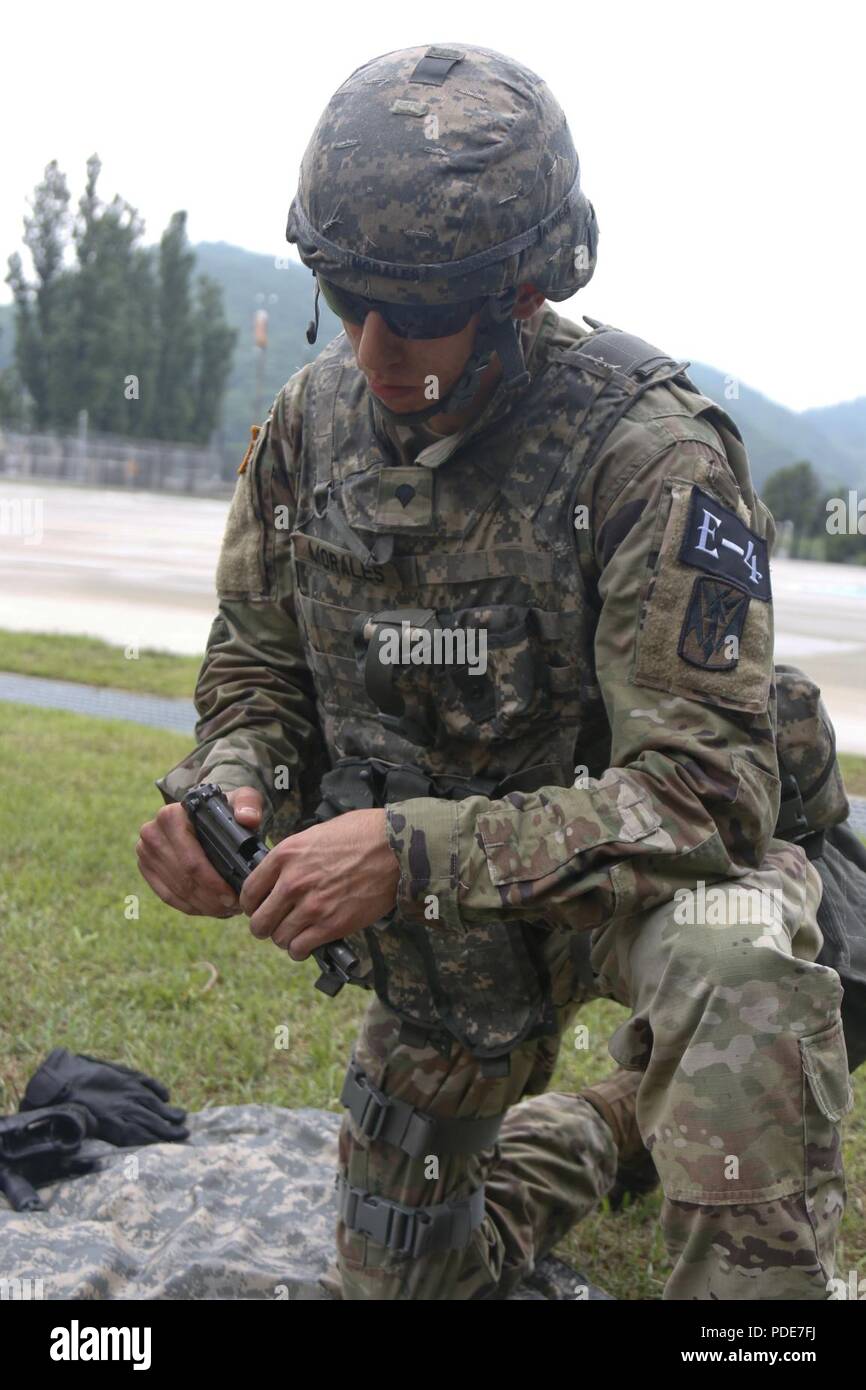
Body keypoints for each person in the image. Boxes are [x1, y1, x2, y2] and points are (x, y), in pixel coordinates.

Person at [137, 43, 852, 1301]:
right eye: (343, 295)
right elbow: (255, 667)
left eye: (412, 312)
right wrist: (230, 787)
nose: (371, 349)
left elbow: (704, 794)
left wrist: (406, 852)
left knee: (735, 963)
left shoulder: (648, 454)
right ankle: (618, 1125)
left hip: (642, 893)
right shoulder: (307, 434)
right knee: (409, 1286)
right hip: (455, 946)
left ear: (521, 291)